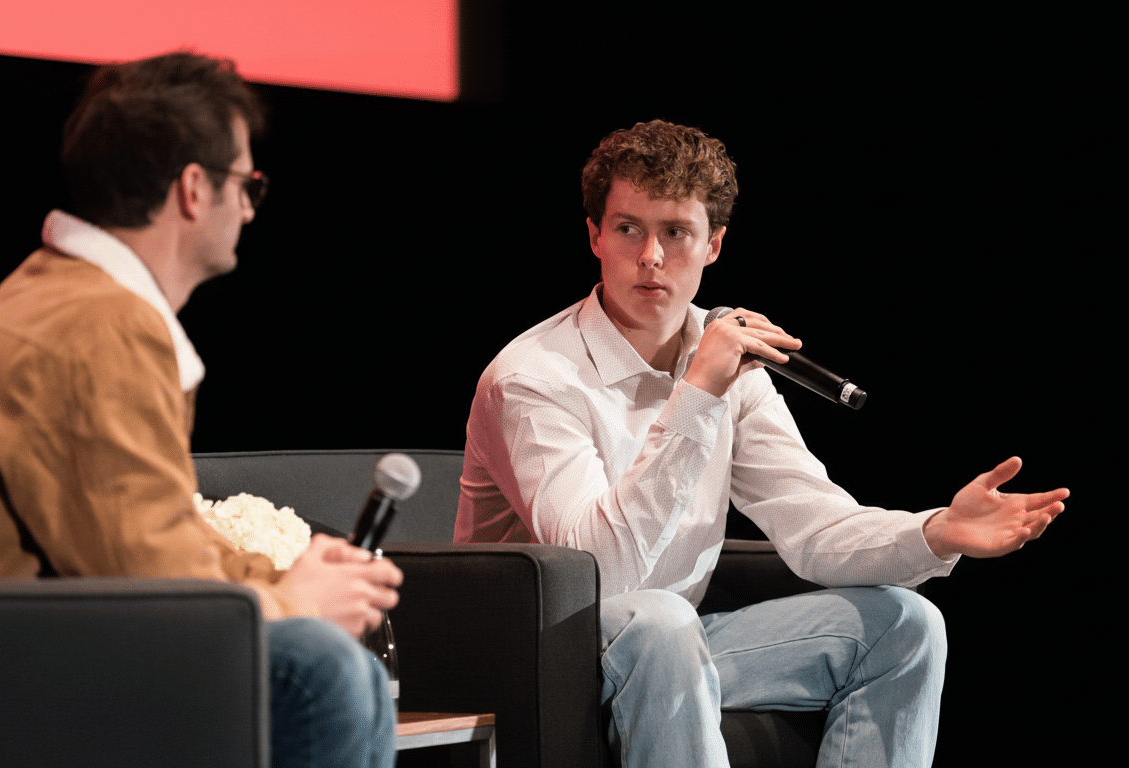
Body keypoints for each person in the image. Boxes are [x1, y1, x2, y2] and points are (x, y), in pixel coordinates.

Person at [456, 119, 1070, 767]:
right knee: (660, 621)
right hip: (541, 649)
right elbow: (603, 576)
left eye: (676, 233)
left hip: (674, 644)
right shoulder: (533, 378)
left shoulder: (725, 360)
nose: (652, 257)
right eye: (629, 228)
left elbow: (814, 526)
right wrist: (696, 395)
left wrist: (937, 532)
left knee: (905, 626)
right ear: (595, 235)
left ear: (713, 245)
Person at [0, 52, 399, 768]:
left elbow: (151, 534)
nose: (247, 207)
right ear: (193, 189)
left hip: (25, 648)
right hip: (1, 674)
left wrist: (287, 575)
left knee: (335, 662)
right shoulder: (95, 327)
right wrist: (297, 604)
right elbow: (153, 586)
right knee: (318, 667)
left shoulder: (77, 299)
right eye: (247, 184)